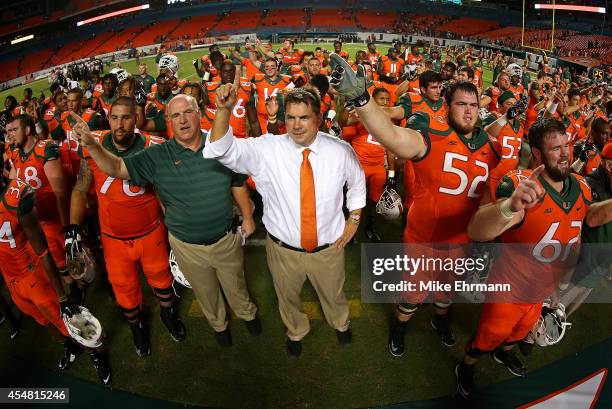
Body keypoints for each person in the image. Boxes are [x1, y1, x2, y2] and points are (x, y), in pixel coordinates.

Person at [328, 54, 501, 356]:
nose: (469, 111)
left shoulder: (490, 148)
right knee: (413, 294)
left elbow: (487, 195)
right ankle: (400, 327)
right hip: (425, 238)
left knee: (446, 291)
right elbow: (391, 134)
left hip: (461, 240)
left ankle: (440, 321)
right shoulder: (431, 136)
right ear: (447, 107)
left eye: (473, 105)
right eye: (461, 104)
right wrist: (360, 98)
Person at [70, 94, 260, 347]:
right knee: (205, 292)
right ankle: (219, 325)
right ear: (168, 120)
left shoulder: (220, 146)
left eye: (188, 112)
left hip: (225, 237)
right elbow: (116, 167)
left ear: (199, 114)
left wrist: (247, 216)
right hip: (186, 245)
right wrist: (93, 146)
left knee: (237, 284)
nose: (183, 120)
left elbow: (237, 183)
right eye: (175, 115)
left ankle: (247, 314)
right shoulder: (157, 155)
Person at [205, 85, 366, 357]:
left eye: (304, 118)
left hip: (329, 249)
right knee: (287, 298)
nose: (296, 125)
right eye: (291, 117)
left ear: (318, 119)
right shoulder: (268, 148)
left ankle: (341, 324)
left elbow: (358, 184)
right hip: (283, 251)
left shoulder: (340, 151)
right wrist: (223, 110)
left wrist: (354, 219)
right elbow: (221, 150)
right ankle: (296, 331)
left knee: (334, 295)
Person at [456, 119, 612, 398]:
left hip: (542, 290)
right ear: (537, 153)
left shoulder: (581, 187)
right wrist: (508, 207)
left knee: (518, 333)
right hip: (511, 287)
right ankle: (466, 366)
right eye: (555, 148)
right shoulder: (520, 185)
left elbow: (587, 217)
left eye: (567, 145)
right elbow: (476, 229)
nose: (565, 153)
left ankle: (504, 354)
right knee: (487, 337)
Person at [67, 97, 186, 357]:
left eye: (126, 118)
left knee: (163, 280)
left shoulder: (154, 145)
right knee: (125, 291)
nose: (120, 124)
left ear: (136, 119)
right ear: (108, 118)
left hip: (150, 232)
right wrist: (72, 228)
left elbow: (165, 191)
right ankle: (137, 326)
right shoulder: (92, 144)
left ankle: (167, 314)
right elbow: (80, 186)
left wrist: (177, 227)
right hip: (113, 238)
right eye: (114, 117)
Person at [0, 155, 111, 385]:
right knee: (44, 322)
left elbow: (42, 251)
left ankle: (96, 356)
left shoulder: (15, 197)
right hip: (11, 279)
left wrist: (62, 296)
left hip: (33, 275)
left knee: (69, 321)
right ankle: (71, 347)